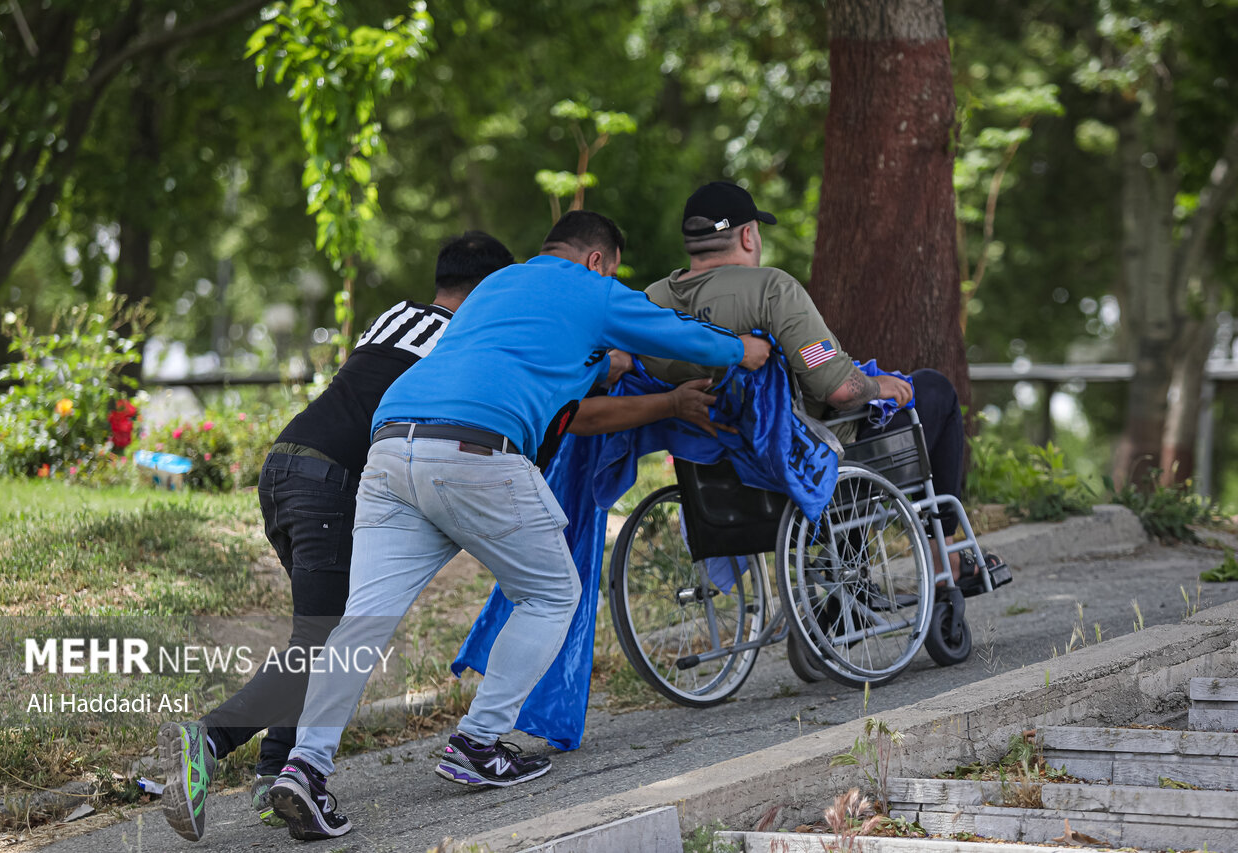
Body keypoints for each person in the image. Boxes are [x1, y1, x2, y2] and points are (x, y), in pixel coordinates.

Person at [156, 231, 727, 843]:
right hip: (346, 478)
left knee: (338, 629)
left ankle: (288, 777)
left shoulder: (397, 318)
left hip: (297, 464)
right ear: (491, 289)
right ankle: (214, 741)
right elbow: (570, 414)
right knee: (338, 637)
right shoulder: (471, 332)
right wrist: (632, 378)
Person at [640, 181, 1000, 586]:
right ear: (747, 235)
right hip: (801, 465)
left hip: (717, 485)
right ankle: (944, 560)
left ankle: (849, 582)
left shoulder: (651, 303)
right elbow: (839, 389)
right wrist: (878, 386)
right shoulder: (771, 289)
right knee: (932, 390)